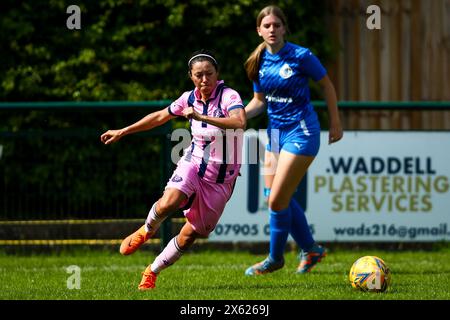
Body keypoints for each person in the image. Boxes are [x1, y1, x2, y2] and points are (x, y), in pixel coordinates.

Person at [100, 50, 246, 290]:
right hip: (193, 163)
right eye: (198, 75)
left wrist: (202, 117)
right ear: (190, 76)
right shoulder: (188, 98)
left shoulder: (228, 95)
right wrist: (123, 131)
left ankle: (151, 271)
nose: (204, 79)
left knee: (190, 235)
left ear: (217, 74)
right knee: (169, 201)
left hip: (221, 179)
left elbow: (240, 122)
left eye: (209, 74)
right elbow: (160, 116)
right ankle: (146, 230)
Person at [243, 5, 343, 275]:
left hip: (302, 132)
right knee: (273, 196)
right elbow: (258, 103)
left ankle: (275, 259)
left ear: (284, 28)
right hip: (275, 134)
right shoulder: (258, 60)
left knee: (277, 200)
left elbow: (327, 85)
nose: (272, 30)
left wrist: (335, 121)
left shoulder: (301, 56)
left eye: (277, 25)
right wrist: (239, 115)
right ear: (259, 30)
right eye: (267, 26)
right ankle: (311, 249)